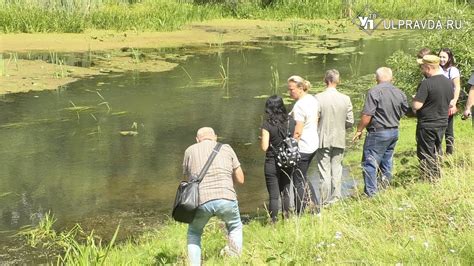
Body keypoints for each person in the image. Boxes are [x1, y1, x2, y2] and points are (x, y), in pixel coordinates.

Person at [183, 127, 245, 266]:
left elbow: (188, 180)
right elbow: (241, 179)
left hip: (200, 201)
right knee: (235, 226)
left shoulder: (189, 150)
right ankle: (234, 261)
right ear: (215, 137)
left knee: (194, 232)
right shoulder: (227, 148)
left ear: (197, 139)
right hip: (226, 197)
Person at [353, 67, 408, 197]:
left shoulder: (374, 91)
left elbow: (367, 115)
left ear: (376, 78)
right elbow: (406, 110)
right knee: (387, 161)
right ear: (391, 78)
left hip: (378, 132)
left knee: (370, 163)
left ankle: (371, 193)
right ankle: (384, 189)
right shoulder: (399, 92)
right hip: (394, 131)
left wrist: (359, 130)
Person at [412, 55, 454, 181]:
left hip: (427, 124)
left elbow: (417, 105)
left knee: (425, 153)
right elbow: (450, 101)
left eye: (423, 67)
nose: (422, 70)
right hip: (442, 122)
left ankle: (429, 178)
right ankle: (436, 175)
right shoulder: (448, 82)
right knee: (437, 149)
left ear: (429, 67)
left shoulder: (426, 83)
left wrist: (414, 99)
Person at [315, 69, 354, 204]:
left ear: (325, 80)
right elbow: (350, 121)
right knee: (337, 169)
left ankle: (324, 201)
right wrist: (341, 128)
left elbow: (315, 119)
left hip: (322, 138)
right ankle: (336, 199)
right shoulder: (346, 98)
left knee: (324, 171)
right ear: (338, 81)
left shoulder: (318, 97)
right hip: (339, 138)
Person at [260, 95, 296, 222]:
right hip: (288, 160)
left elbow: (264, 147)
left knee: (274, 196)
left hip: (272, 161)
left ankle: (273, 221)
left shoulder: (267, 124)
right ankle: (286, 217)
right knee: (285, 191)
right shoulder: (291, 121)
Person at [287, 75, 319, 214]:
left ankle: (299, 211)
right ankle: (315, 206)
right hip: (313, 143)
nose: (290, 92)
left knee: (298, 179)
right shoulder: (312, 99)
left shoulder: (300, 105)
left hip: (303, 146)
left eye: (291, 89)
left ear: (300, 88)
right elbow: (317, 119)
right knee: (303, 175)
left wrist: (291, 146)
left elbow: (298, 130)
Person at [439, 48, 461, 154]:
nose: (442, 59)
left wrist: (454, 101)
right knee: (438, 128)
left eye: (444, 57)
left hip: (449, 102)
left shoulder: (453, 70)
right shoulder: (437, 69)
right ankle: (437, 151)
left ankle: (449, 152)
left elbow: (457, 87)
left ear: (449, 58)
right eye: (440, 56)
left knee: (448, 129)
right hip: (438, 103)